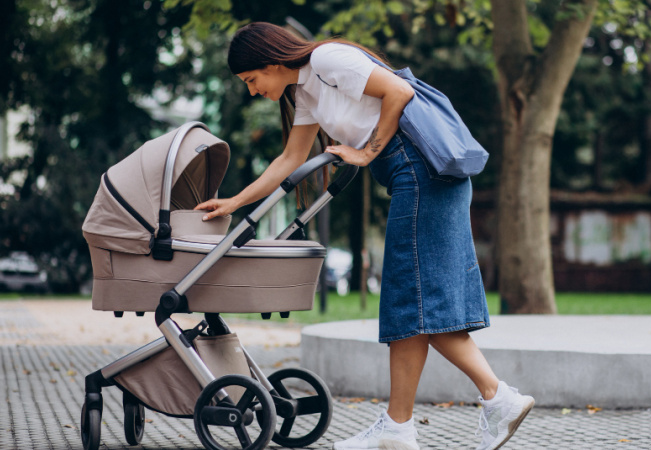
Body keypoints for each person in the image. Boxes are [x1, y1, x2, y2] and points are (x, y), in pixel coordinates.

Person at [195, 22, 534, 450]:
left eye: (251, 79)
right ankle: (454, 412)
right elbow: (290, 159)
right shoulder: (305, 92)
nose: (251, 90)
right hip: (418, 178)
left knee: (411, 299)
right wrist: (233, 202)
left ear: (273, 62)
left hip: (419, 173)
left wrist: (365, 152)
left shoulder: (326, 59)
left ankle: (452, 411)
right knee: (419, 303)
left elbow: (399, 92)